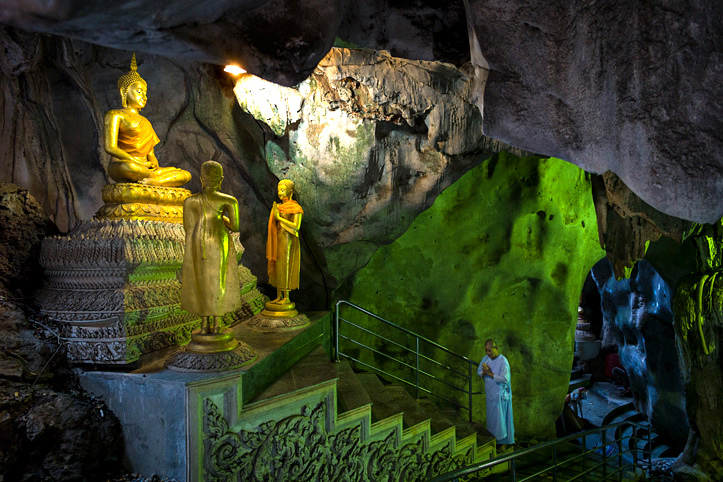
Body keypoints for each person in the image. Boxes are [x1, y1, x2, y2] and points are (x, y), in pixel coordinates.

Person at [103, 53, 191, 187]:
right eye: (139, 92)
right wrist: (136, 162)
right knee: (130, 169)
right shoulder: (115, 115)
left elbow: (151, 155)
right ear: (124, 92)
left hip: (146, 169)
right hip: (125, 165)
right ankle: (159, 181)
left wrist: (154, 164)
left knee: (185, 175)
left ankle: (155, 181)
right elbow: (110, 147)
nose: (144, 96)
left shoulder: (146, 122)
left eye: (145, 93)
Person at [180, 161, 240, 334]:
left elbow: (188, 227)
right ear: (220, 180)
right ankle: (218, 323)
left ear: (201, 179)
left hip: (197, 240)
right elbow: (235, 226)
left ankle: (204, 323)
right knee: (218, 279)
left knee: (201, 280)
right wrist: (222, 219)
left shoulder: (190, 201)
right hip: (219, 239)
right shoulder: (228, 200)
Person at [265, 179, 303, 307]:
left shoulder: (296, 208)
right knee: (277, 265)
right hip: (277, 238)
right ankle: (278, 295)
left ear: (290, 192)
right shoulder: (278, 207)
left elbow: (296, 226)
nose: (280, 193)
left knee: (285, 266)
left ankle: (286, 296)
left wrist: (279, 218)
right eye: (278, 190)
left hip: (287, 238)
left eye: (283, 190)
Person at [478, 338, 515, 451]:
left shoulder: (503, 361)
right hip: (490, 396)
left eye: (489, 350)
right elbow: (478, 371)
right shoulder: (485, 359)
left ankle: (502, 444)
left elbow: (505, 379)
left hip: (499, 397)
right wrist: (484, 373)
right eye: (486, 351)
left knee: (500, 421)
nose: (488, 353)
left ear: (496, 348)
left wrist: (490, 373)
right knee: (492, 420)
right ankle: (493, 442)